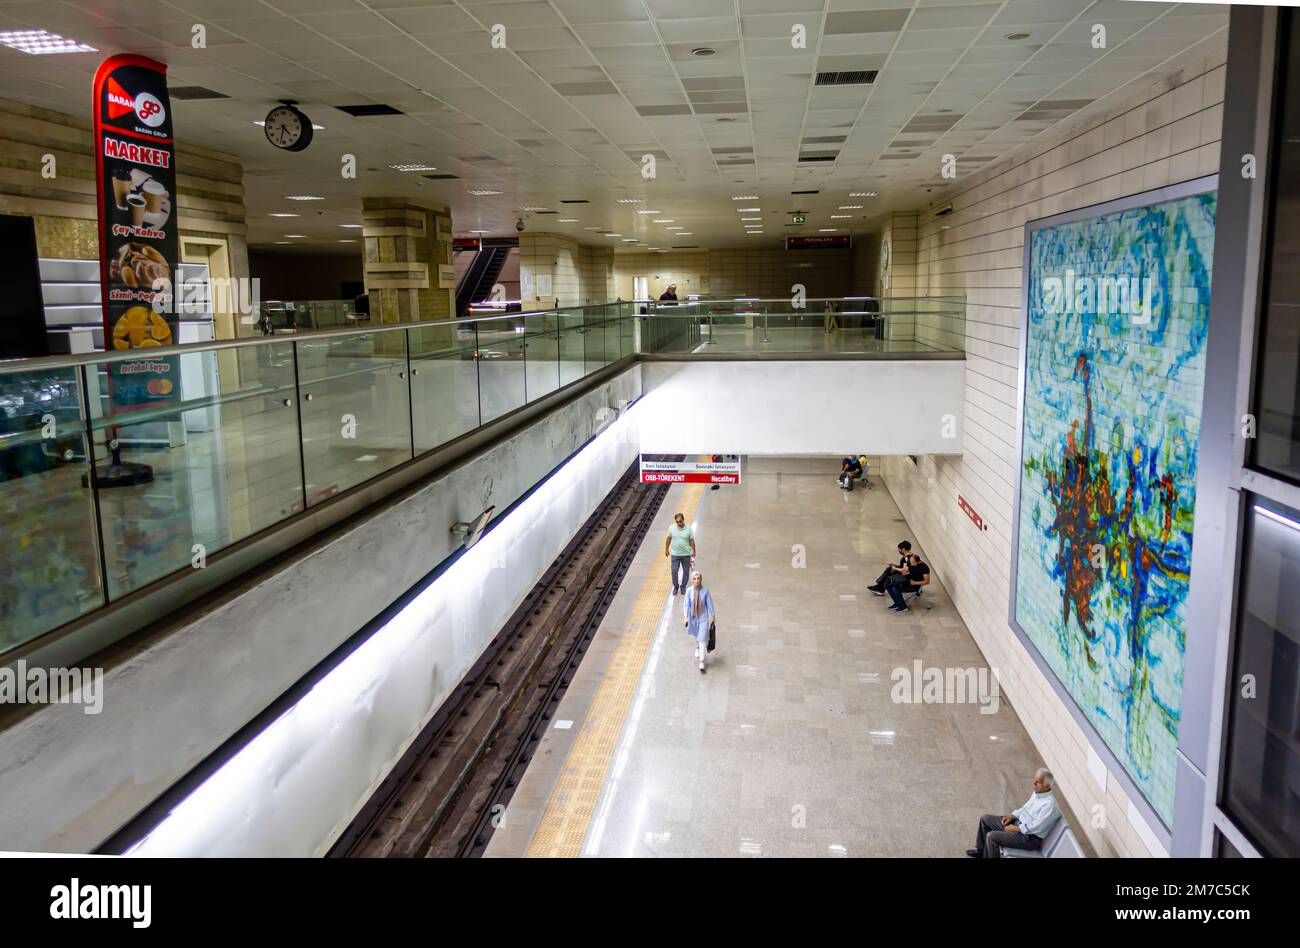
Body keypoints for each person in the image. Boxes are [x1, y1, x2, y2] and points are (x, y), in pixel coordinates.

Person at [968, 769, 1061, 858]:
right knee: (985, 819)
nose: (1034, 784)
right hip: (1018, 823)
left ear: (1048, 786)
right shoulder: (1038, 793)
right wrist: (1012, 816)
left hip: (1029, 838)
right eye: (1034, 780)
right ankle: (981, 852)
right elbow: (1025, 808)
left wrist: (1017, 828)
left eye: (1038, 782)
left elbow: (1037, 826)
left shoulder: (1050, 805)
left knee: (992, 837)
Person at [683, 570, 716, 673]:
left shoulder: (705, 591)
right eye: (695, 579)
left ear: (701, 580)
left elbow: (709, 604)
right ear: (692, 580)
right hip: (693, 617)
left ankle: (702, 661)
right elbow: (686, 604)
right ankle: (697, 647)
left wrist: (713, 616)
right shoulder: (689, 591)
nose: (697, 581)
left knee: (702, 639)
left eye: (698, 579)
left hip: (703, 618)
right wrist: (685, 617)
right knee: (697, 635)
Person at [664, 512, 696, 595]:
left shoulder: (688, 529)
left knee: (686, 571)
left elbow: (692, 541)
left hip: (686, 554)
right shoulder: (671, 528)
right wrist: (666, 549)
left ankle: (683, 587)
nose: (679, 523)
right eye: (677, 522)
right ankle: (676, 586)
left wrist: (694, 551)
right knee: (674, 571)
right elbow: (668, 539)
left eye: (680, 521)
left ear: (683, 520)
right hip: (675, 554)